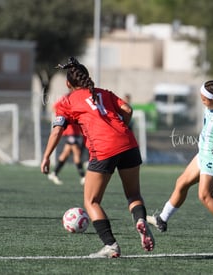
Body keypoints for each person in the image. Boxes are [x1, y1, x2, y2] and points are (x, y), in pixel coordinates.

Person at [40, 57, 154, 258]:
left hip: (103, 150)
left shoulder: (66, 101)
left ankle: (110, 245)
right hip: (129, 144)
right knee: (133, 194)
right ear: (87, 78)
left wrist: (47, 156)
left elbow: (57, 132)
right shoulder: (104, 93)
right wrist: (122, 127)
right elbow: (128, 109)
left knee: (91, 201)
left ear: (68, 83)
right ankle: (141, 220)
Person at [147, 80, 213, 241]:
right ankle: (162, 219)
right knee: (181, 183)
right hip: (203, 153)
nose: (202, 100)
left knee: (205, 195)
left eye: (204, 99)